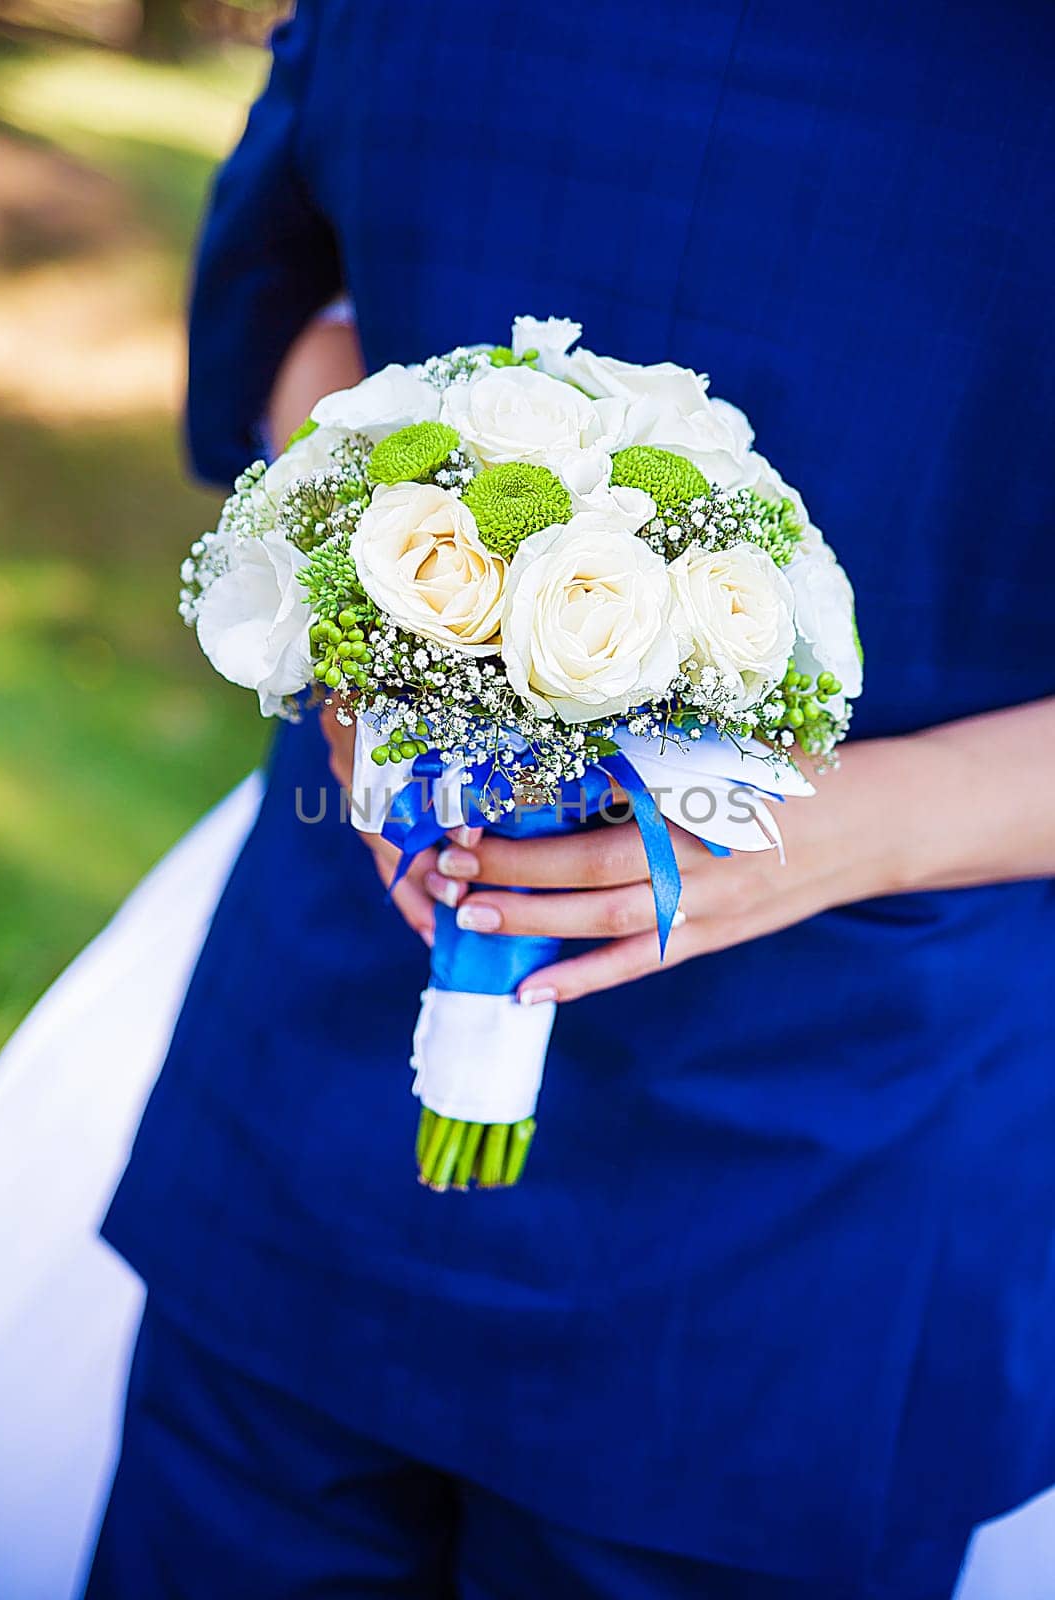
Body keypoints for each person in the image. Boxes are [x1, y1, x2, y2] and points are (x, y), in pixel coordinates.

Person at [80, 2, 1055, 1596]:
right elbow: (300, 321)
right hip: (360, 1113)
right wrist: (367, 636)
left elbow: (278, 321)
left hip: (806, 1219)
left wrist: (833, 824)